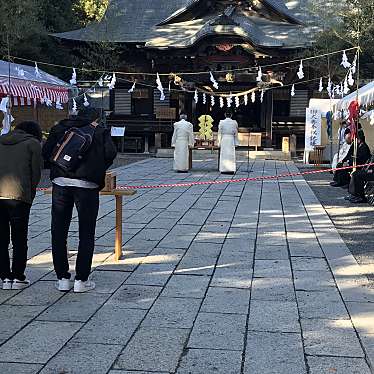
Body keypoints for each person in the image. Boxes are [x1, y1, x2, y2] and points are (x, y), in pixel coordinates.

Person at [42, 107, 117, 293]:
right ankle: (81, 280)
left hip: (60, 182)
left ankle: (62, 278)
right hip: (87, 185)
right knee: (86, 231)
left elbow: (46, 154)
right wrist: (96, 167)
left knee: (58, 231)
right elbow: (111, 154)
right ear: (95, 119)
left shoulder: (60, 128)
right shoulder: (99, 131)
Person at [0, 121, 42, 290]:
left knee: (1, 239)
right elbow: (36, 172)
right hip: (19, 196)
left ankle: (4, 277)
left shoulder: (1, 140)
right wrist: (30, 192)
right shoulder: (32, 144)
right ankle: (18, 276)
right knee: (19, 238)